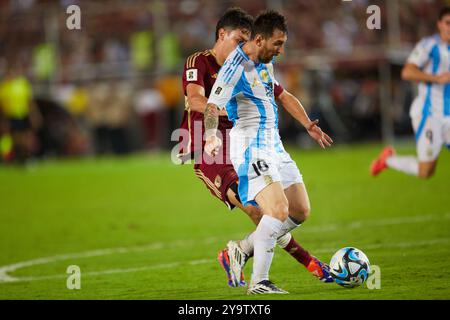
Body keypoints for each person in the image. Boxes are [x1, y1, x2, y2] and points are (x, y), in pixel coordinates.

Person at [178, 8, 333, 289]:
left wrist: (307, 123)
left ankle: (243, 252)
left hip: (258, 142)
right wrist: (217, 127)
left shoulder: (260, 64)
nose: (243, 45)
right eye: (240, 39)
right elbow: (197, 101)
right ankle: (300, 266)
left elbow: (281, 95)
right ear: (222, 34)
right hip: (213, 149)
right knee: (265, 211)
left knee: (289, 211)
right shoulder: (204, 63)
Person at [371, 6, 450, 179]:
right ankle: (389, 160)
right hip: (429, 114)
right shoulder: (429, 46)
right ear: (439, 25)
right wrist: (437, 78)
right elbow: (407, 72)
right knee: (426, 172)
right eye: (447, 23)